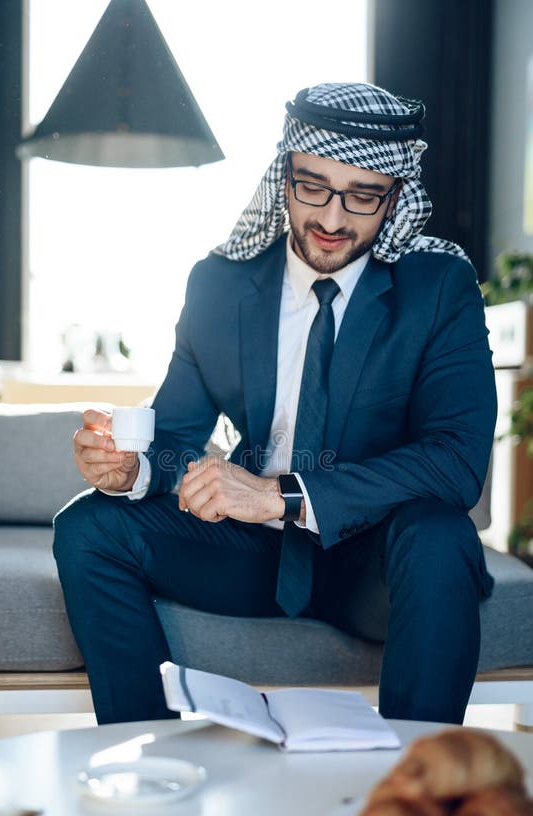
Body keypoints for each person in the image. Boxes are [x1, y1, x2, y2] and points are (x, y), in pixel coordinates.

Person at [53, 82, 497, 727]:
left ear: (396, 195)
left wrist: (284, 494)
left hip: (376, 561)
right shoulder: (219, 285)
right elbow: (175, 435)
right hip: (252, 555)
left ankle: (416, 790)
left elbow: (455, 463)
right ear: (283, 176)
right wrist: (135, 471)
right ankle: (148, 757)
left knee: (440, 533)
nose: (332, 219)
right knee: (89, 526)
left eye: (363, 196)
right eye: (312, 186)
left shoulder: (439, 287)